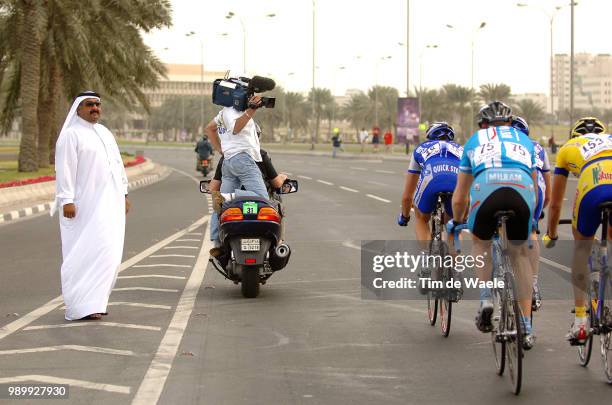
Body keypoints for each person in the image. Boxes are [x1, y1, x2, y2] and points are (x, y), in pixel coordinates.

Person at [448, 101, 538, 349]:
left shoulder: (475, 140)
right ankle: (527, 325)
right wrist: (531, 220)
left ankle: (486, 298)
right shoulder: (524, 140)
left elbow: (459, 196)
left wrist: (457, 221)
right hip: (522, 190)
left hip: (486, 189)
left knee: (481, 243)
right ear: (511, 123)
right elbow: (536, 189)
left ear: (483, 124)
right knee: (519, 254)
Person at [53, 91, 129, 321]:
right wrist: (66, 199)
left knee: (109, 253)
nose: (95, 108)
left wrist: (124, 193)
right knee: (82, 253)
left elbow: (117, 164)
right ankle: (79, 305)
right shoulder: (71, 135)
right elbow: (64, 169)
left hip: (111, 202)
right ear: (78, 108)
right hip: (82, 205)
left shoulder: (104, 132)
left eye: (97, 104)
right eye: (89, 105)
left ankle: (96, 302)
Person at [543, 117, 612, 344]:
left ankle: (581, 321)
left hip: (593, 185)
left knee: (581, 247)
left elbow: (554, 203)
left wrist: (552, 234)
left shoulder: (568, 148)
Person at [206, 93, 269, 255]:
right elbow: (236, 128)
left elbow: (209, 128)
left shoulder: (222, 113)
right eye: (249, 94)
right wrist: (251, 110)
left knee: (220, 206)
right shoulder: (232, 111)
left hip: (229, 161)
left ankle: (217, 242)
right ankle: (227, 197)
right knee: (262, 198)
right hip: (243, 159)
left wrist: (221, 150)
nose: (251, 97)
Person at [398, 122, 462, 248]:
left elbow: (407, 196)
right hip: (455, 181)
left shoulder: (421, 148)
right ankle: (456, 263)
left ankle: (427, 257)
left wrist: (404, 216)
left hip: (431, 181)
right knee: (454, 224)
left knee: (421, 219)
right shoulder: (462, 149)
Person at [511, 116, 551, 311]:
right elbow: (548, 188)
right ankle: (533, 283)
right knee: (531, 232)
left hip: (506, 185)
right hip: (535, 190)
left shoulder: (502, 144)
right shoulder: (537, 147)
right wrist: (537, 213)